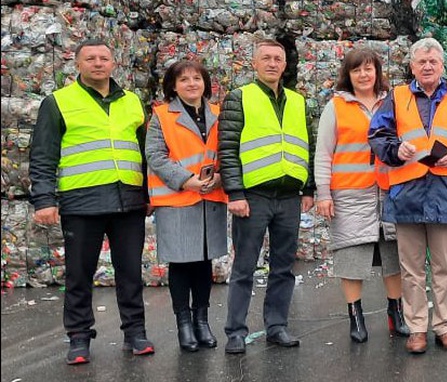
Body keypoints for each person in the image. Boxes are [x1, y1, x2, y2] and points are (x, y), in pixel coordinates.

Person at [29, 39, 155, 364]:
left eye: (104, 58)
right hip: (81, 203)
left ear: (113, 63)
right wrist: (44, 199)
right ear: (78, 64)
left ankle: (135, 332)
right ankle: (79, 337)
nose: (98, 63)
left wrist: (149, 195)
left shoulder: (132, 102)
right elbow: (43, 156)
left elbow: (146, 154)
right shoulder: (58, 102)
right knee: (78, 275)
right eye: (90, 58)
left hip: (127, 202)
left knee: (130, 273)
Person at [369, 38, 447, 354]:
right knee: (411, 270)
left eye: (432, 62)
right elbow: (378, 136)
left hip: (445, 192)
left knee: (444, 268)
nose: (427, 67)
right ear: (412, 67)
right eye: (421, 62)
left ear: (442, 66)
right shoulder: (396, 97)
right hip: (407, 192)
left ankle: (445, 327)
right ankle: (417, 329)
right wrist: (396, 149)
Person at [219, 39, 315, 354]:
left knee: (284, 266)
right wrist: (235, 192)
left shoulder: (299, 102)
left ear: (285, 65)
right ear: (254, 64)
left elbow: (308, 147)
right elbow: (228, 149)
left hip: (289, 196)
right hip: (253, 195)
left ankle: (277, 326)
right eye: (266, 58)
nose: (272, 64)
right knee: (244, 266)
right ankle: (235, 331)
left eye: (278, 59)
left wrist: (309, 188)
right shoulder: (239, 98)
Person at [314, 48, 411, 343]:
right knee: (351, 256)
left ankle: (396, 313)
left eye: (369, 69)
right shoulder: (336, 106)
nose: (364, 75)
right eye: (357, 70)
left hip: (389, 189)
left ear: (377, 72)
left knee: (394, 254)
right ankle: (355, 316)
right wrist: (324, 193)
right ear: (349, 75)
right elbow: (323, 154)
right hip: (350, 193)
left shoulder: (391, 102)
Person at [145, 60, 228, 352]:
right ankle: (184, 324)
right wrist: (186, 180)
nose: (192, 84)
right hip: (178, 198)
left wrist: (219, 177)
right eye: (184, 80)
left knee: (204, 261)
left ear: (206, 83)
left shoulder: (218, 113)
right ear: (173, 86)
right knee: (181, 262)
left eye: (197, 78)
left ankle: (202, 320)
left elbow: (227, 150)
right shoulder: (162, 116)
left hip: (209, 196)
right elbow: (155, 155)